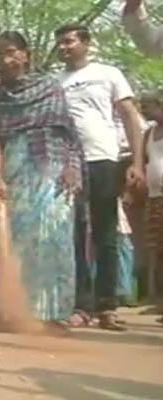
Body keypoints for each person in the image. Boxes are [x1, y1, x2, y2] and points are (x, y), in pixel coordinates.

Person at [0, 31, 82, 328]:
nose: (6, 59)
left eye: (12, 52)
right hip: (16, 175)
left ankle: (55, 315)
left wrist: (70, 167)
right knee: (19, 243)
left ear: (26, 54)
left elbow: (67, 133)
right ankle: (19, 313)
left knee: (54, 240)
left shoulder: (50, 87)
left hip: (53, 170)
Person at [55, 24, 145, 330]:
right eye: (60, 43)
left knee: (106, 233)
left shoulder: (109, 73)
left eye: (69, 41)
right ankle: (82, 306)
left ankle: (108, 306)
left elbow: (130, 116)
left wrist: (137, 162)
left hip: (104, 160)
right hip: (69, 167)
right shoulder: (56, 82)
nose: (64, 47)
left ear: (85, 43)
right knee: (75, 235)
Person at [139, 91, 163, 324]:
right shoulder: (148, 134)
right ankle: (159, 301)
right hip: (155, 197)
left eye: (147, 106)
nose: (143, 111)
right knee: (157, 249)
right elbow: (144, 163)